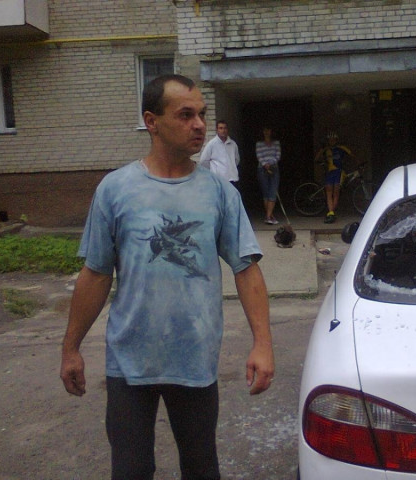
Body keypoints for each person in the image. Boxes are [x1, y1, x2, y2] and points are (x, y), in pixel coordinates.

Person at [60, 74, 275, 480]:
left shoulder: (218, 192)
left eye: (202, 115)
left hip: (194, 360)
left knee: (201, 468)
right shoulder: (116, 189)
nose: (199, 125)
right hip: (129, 362)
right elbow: (96, 274)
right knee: (131, 470)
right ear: (151, 121)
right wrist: (70, 348)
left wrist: (262, 344)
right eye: (186, 115)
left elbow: (247, 270)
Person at [314, 131, 352, 223]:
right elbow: (316, 158)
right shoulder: (326, 149)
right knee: (329, 193)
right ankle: (331, 213)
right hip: (329, 173)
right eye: (330, 140)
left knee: (336, 193)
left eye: (333, 140)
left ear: (336, 140)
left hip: (339, 173)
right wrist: (321, 150)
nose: (331, 141)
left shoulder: (341, 148)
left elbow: (351, 155)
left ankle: (331, 213)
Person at [199, 120, 241, 188]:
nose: (223, 130)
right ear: (217, 130)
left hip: (232, 179)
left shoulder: (233, 144)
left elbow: (236, 160)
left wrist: (231, 167)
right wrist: (214, 171)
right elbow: (203, 161)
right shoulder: (212, 144)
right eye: (221, 128)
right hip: (218, 180)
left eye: (225, 128)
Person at [255, 126, 281, 225]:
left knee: (273, 192)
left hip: (274, 168)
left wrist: (270, 163)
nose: (266, 132)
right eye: (265, 130)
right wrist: (265, 164)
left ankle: (268, 216)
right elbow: (259, 155)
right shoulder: (259, 144)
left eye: (268, 130)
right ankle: (270, 216)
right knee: (266, 193)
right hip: (262, 169)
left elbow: (278, 155)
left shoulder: (276, 143)